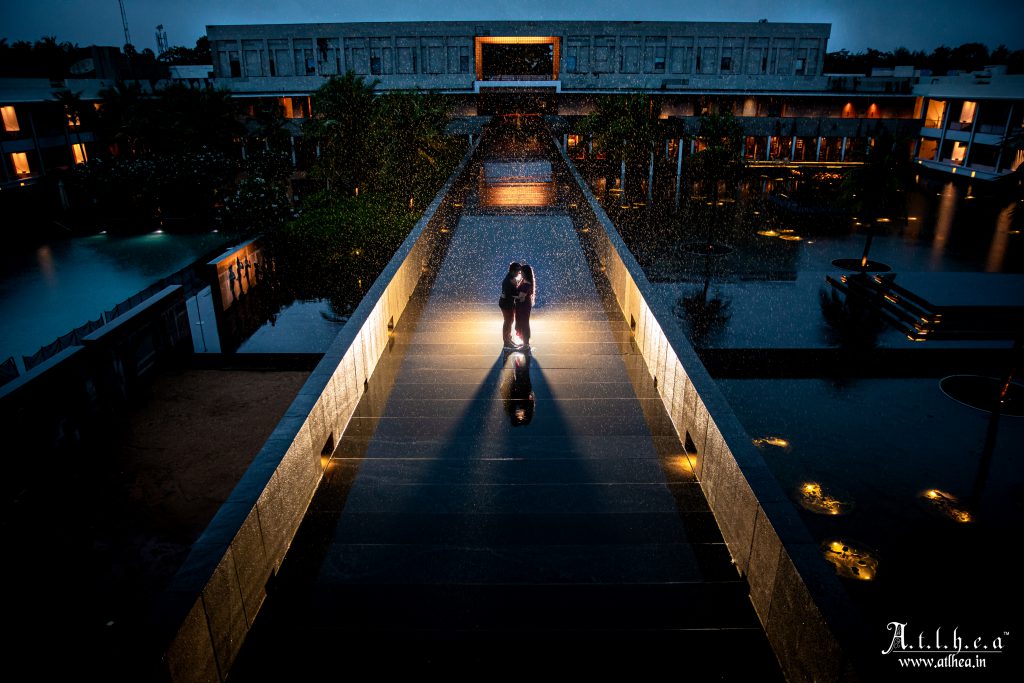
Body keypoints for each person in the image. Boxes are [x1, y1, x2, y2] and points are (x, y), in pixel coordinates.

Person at [499, 262, 522, 347]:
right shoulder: (509, 280)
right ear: (513, 271)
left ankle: (508, 339)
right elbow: (509, 294)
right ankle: (507, 342)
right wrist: (520, 296)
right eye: (518, 271)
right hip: (506, 304)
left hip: (507, 303)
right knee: (508, 322)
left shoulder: (511, 278)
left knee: (510, 321)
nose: (518, 273)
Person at [514, 263, 535, 349]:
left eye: (521, 272)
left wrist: (509, 296)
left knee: (524, 323)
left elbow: (521, 297)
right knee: (523, 323)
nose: (520, 274)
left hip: (524, 306)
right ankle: (525, 343)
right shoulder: (524, 281)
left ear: (525, 273)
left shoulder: (527, 284)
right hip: (523, 305)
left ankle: (526, 344)